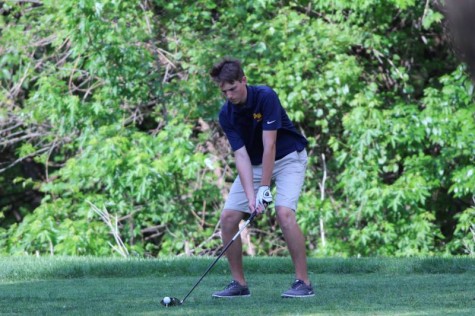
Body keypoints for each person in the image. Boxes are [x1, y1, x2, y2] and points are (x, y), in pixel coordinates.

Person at [209, 57, 314, 298]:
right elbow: (241, 156)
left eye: (233, 88)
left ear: (244, 81)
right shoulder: (226, 114)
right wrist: (251, 197)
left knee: (284, 213)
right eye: (224, 91)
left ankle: (304, 282)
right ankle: (239, 284)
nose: (230, 95)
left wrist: (264, 190)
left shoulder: (265, 96)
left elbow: (271, 146)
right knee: (228, 218)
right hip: (255, 163)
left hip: (288, 157)